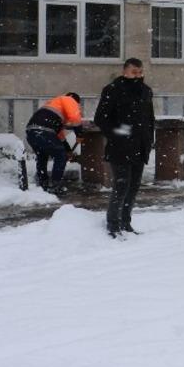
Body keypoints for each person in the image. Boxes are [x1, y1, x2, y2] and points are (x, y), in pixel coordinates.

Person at [94, 58, 155, 237]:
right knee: (121, 185)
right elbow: (101, 118)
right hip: (120, 147)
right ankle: (113, 224)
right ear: (125, 72)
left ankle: (125, 222)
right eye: (134, 72)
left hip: (140, 146)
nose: (138, 75)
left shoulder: (145, 91)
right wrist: (118, 133)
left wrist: (149, 140)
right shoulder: (113, 90)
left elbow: (149, 119)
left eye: (140, 72)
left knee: (134, 186)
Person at [24, 92, 83, 195]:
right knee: (60, 156)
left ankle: (43, 183)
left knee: (42, 156)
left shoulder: (55, 105)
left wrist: (68, 150)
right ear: (76, 101)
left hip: (32, 132)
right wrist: (79, 134)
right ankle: (55, 185)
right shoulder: (69, 100)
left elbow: (60, 136)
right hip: (44, 131)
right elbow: (75, 118)